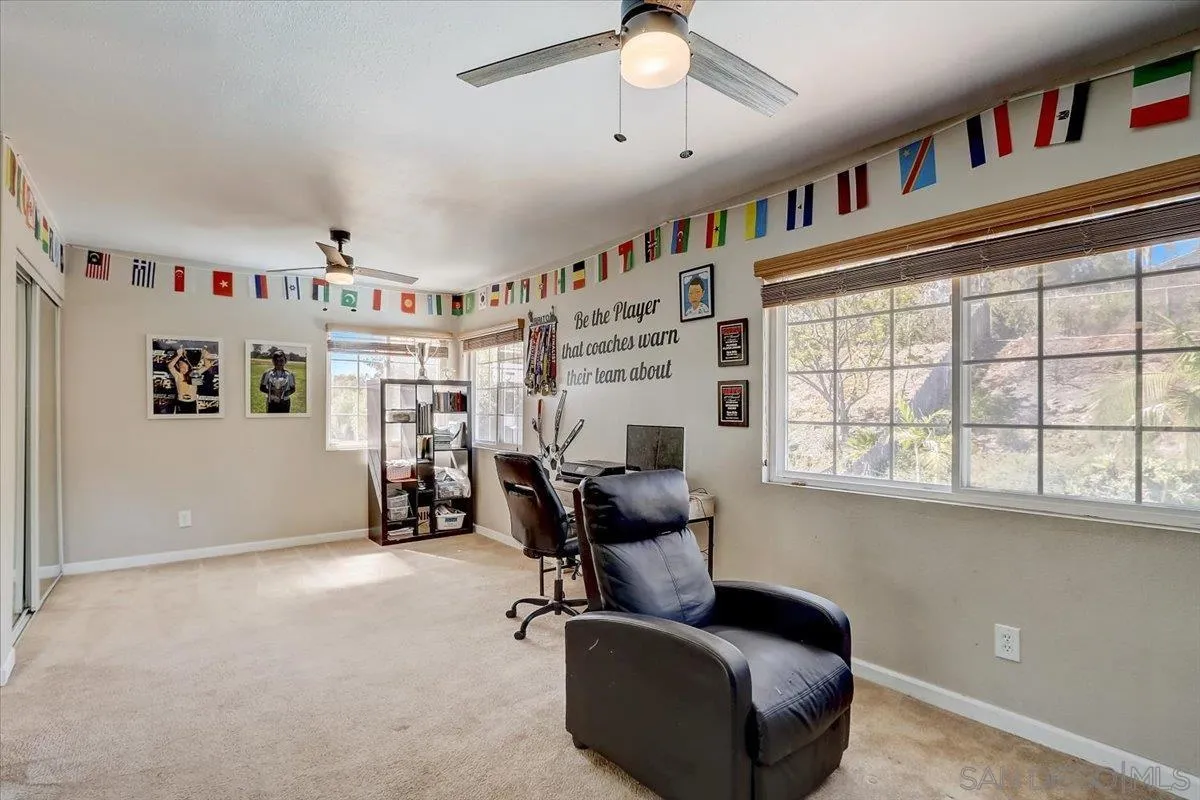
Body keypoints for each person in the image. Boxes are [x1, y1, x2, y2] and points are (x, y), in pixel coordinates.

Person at [166, 345, 216, 414]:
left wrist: (205, 356)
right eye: (182, 367)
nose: (184, 369)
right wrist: (178, 355)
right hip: (180, 403)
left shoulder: (195, 373)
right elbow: (170, 366)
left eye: (185, 367)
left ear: (188, 367)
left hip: (192, 403)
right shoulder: (177, 375)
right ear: (178, 366)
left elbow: (207, 366)